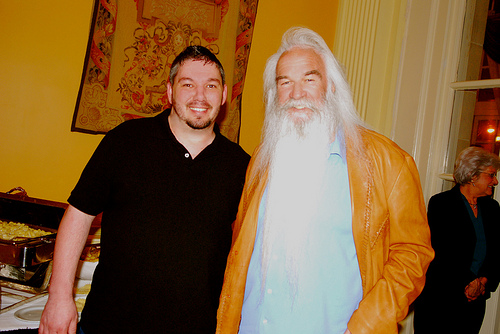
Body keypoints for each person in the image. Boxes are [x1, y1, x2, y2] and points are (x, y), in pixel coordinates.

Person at [215, 27, 434, 334]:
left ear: (331, 85)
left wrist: (365, 326)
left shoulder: (389, 162)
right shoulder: (262, 159)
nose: (296, 94)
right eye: (285, 83)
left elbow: (412, 254)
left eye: (309, 79)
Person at [39, 45, 250, 334]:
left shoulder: (242, 166)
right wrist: (59, 297)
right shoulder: (124, 142)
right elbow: (78, 216)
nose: (200, 96)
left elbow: (247, 249)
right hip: (110, 324)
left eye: (210, 86)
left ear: (224, 94)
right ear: (170, 91)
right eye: (187, 84)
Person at [413, 146, 500, 333]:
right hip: (441, 298)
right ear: (472, 175)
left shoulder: (492, 208)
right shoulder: (442, 204)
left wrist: (483, 281)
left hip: (475, 301)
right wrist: (469, 282)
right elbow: (443, 251)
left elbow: (496, 251)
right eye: (491, 175)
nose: (496, 181)